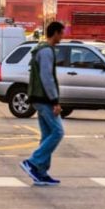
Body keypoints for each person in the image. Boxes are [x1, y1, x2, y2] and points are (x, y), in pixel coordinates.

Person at [22, 21, 66, 186]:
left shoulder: (40, 48)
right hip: (43, 98)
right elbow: (47, 77)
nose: (62, 36)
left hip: (37, 97)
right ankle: (33, 162)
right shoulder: (47, 51)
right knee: (58, 132)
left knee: (47, 134)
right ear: (55, 33)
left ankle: (41, 172)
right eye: (61, 33)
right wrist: (54, 100)